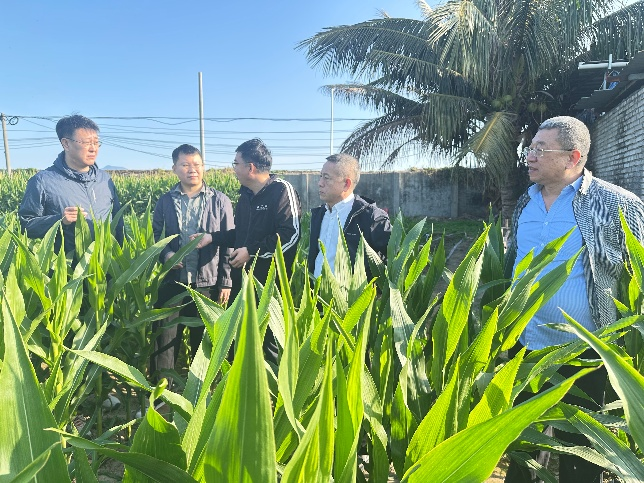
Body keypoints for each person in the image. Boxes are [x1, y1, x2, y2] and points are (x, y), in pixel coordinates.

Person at [504, 116, 644, 483]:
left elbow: (640, 272)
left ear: (573, 157)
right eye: (530, 148)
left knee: (581, 457)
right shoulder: (526, 202)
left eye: (541, 149)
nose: (530, 156)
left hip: (585, 355)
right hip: (525, 349)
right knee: (520, 449)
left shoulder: (617, 203)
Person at [209, 138, 301, 366]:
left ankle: (272, 386)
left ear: (250, 167)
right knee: (236, 337)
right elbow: (241, 235)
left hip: (268, 286)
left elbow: (290, 235)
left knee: (269, 341)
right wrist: (212, 238)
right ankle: (236, 383)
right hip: (241, 281)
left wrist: (251, 252)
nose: (233, 169)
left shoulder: (281, 190)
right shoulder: (245, 196)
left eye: (236, 163)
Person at [151, 144, 234, 380]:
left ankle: (203, 391)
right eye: (185, 165)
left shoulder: (220, 201)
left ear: (203, 167)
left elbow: (229, 240)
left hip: (207, 283)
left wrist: (226, 281)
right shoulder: (165, 201)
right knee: (164, 341)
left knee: (204, 343)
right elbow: (156, 235)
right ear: (174, 168)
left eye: (197, 164)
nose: (192, 169)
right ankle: (161, 390)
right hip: (173, 282)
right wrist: (167, 256)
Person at [18, 114, 124, 254]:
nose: (93, 148)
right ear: (66, 144)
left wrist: (122, 257)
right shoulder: (42, 181)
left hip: (107, 263)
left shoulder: (105, 180)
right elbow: (25, 226)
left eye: (96, 142)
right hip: (67, 265)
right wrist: (58, 220)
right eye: (87, 143)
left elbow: (118, 222)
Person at [308, 153, 391, 279]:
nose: (320, 183)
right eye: (320, 176)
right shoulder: (318, 215)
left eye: (326, 178)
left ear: (346, 184)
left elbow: (391, 260)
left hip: (353, 292)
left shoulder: (372, 218)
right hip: (316, 290)